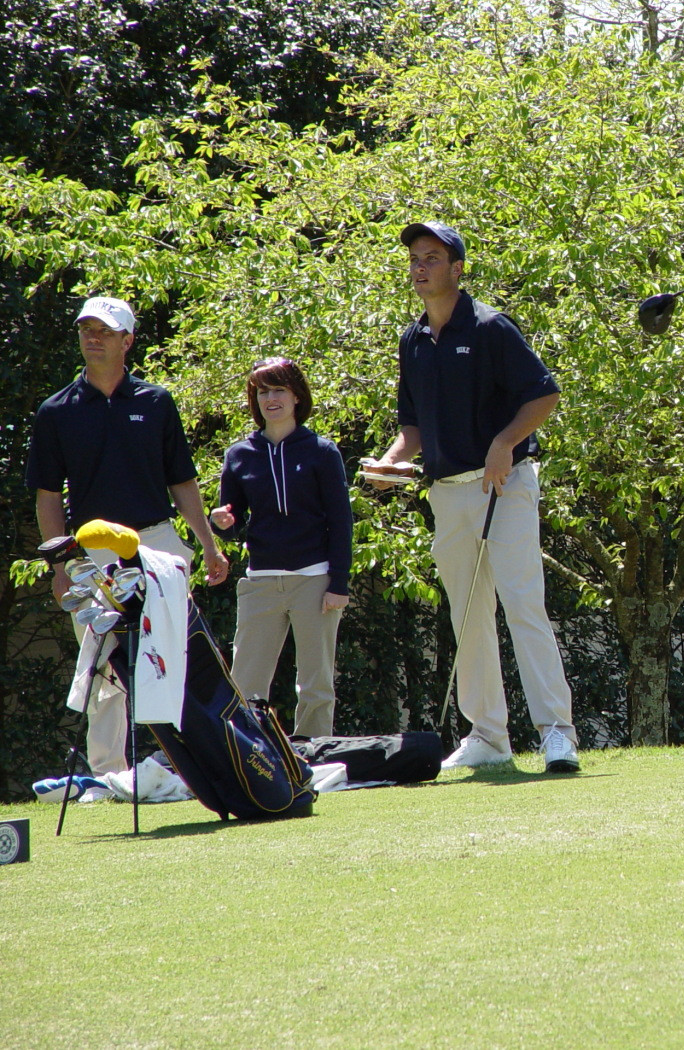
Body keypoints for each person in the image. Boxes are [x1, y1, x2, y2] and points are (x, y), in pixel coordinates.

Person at [363, 220, 580, 773]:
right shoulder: (412, 341)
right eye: (415, 258)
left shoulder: (490, 327)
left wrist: (505, 442)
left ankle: (558, 733)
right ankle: (488, 735)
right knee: (468, 615)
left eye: (432, 258)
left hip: (502, 486)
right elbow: (411, 427)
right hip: (447, 493)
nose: (420, 267)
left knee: (524, 604)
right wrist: (391, 463)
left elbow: (544, 393)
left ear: (457, 269)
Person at [26, 295, 231, 774]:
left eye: (104, 330)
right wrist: (59, 567)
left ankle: (196, 766)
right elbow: (48, 497)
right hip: (91, 551)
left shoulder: (156, 402)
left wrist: (206, 543)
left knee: (175, 651)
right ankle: (107, 773)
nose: (93, 337)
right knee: (100, 660)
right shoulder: (56, 410)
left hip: (155, 544)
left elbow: (182, 481)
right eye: (86, 329)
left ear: (127, 340)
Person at [210, 357, 353, 738]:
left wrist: (338, 583)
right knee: (245, 683)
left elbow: (341, 521)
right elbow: (233, 519)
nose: (270, 399)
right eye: (262, 392)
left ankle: (315, 753)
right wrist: (222, 522)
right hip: (260, 581)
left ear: (296, 396)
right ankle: (250, 760)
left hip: (315, 580)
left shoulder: (322, 451)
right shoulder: (239, 454)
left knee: (316, 683)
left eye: (278, 390)